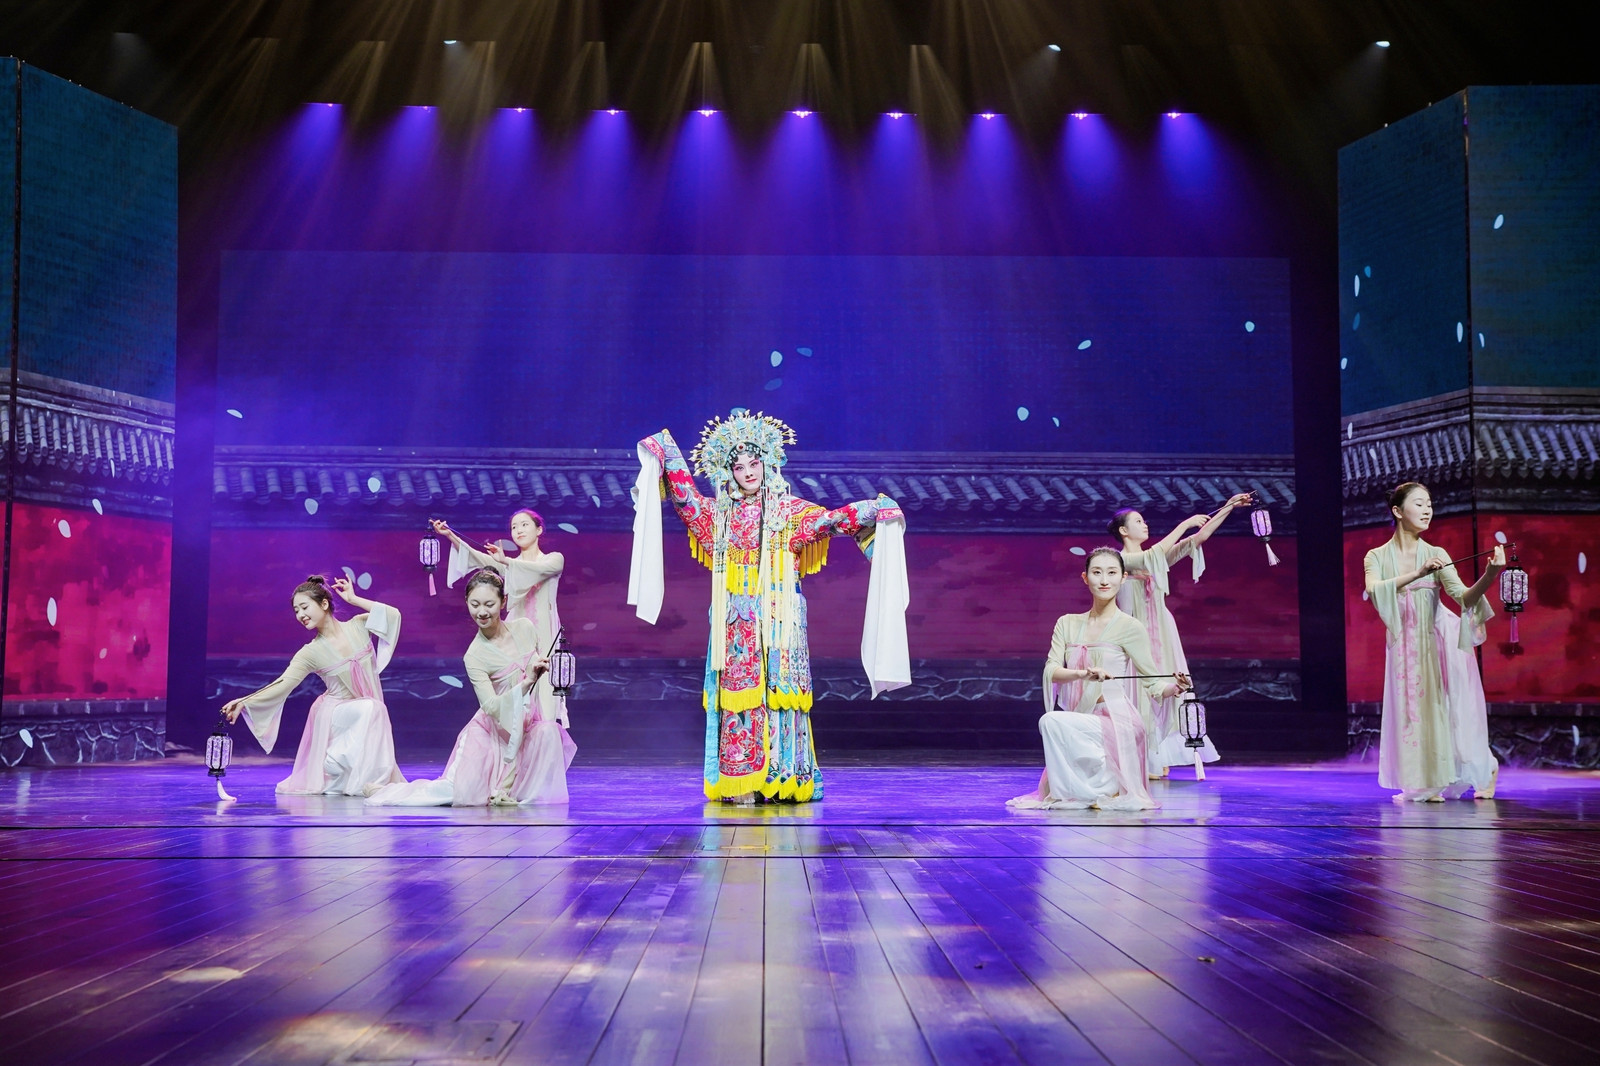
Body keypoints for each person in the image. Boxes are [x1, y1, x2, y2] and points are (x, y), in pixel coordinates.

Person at [628, 410, 910, 804]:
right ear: (728, 471)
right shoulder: (717, 516)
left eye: (754, 463)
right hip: (736, 620)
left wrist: (873, 509)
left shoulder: (788, 511)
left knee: (782, 695)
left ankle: (782, 779)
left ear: (768, 462)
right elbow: (685, 497)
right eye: (738, 466)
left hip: (781, 617)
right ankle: (741, 780)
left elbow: (831, 521)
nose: (748, 472)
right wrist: (665, 451)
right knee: (739, 696)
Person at [367, 570, 575, 807]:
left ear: (503, 602)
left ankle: (518, 793)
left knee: (549, 732)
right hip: (491, 735)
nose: (482, 612)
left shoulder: (525, 628)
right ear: (466, 602)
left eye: (489, 604)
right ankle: (387, 791)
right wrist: (527, 682)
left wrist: (539, 665)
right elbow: (491, 707)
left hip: (526, 727)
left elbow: (531, 664)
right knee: (452, 793)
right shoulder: (475, 655)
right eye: (475, 604)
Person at [1009, 547, 1191, 811]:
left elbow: (1153, 683)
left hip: (1117, 721)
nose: (1104, 580)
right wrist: (1083, 674)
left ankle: (1102, 790)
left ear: (1123, 578)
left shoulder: (1130, 627)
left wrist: (1176, 687)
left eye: (1112, 573)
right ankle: (1087, 792)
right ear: (1085, 578)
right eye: (1097, 572)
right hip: (1082, 717)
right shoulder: (1066, 623)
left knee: (1051, 721)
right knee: (1052, 722)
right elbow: (1052, 670)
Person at [1363, 482, 1502, 802]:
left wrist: (1490, 575)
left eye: (1429, 504)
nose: (1427, 510)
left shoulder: (1436, 554)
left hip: (1436, 642)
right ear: (1398, 511)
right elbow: (1374, 589)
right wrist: (1418, 573)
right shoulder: (1376, 556)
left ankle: (1486, 767)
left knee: (1446, 711)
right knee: (1411, 713)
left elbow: (1464, 597)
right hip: (1402, 646)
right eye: (1419, 504)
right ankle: (1424, 779)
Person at [223, 575, 405, 796]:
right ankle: (357, 781)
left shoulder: (358, 626)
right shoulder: (310, 652)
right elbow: (283, 683)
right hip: (334, 713)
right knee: (372, 708)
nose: (300, 615)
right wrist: (245, 701)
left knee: (373, 709)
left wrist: (353, 599)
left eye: (304, 607)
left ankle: (367, 781)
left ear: (324, 604)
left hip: (363, 712)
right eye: (296, 611)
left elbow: (392, 615)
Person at [1110, 494, 1251, 776]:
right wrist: (1185, 523)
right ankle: (1140, 756)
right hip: (1133, 634)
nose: (1145, 524)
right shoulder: (1120, 559)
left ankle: (1159, 752)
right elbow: (1151, 556)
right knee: (1137, 689)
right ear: (1123, 530)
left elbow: (1198, 539)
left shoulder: (1154, 558)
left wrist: (1229, 506)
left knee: (1169, 687)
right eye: (1138, 521)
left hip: (1162, 631)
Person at [432, 509, 568, 730]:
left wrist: (506, 562)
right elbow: (478, 557)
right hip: (514, 638)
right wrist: (450, 535)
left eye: (524, 525)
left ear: (539, 529)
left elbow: (538, 569)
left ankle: (544, 739)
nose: (518, 530)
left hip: (545, 635)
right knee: (517, 694)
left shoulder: (553, 559)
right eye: (514, 527)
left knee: (545, 695)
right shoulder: (508, 564)